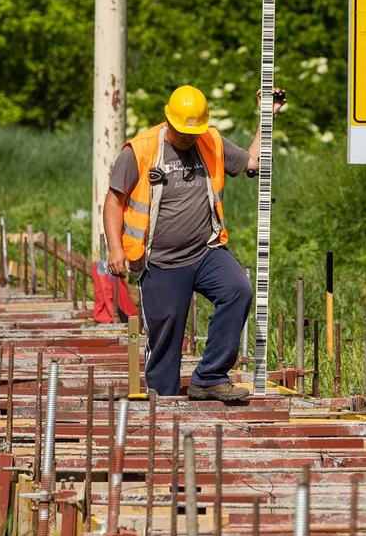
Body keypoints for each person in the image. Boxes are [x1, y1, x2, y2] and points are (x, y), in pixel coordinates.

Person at [102, 84, 285, 400]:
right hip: (159, 261)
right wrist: (116, 248)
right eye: (182, 132)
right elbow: (113, 202)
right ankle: (163, 403)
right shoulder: (140, 150)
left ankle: (210, 376)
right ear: (168, 120)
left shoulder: (210, 140)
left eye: (194, 132)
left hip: (206, 251)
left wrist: (266, 118)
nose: (188, 138)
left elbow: (252, 161)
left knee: (237, 290)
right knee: (166, 336)